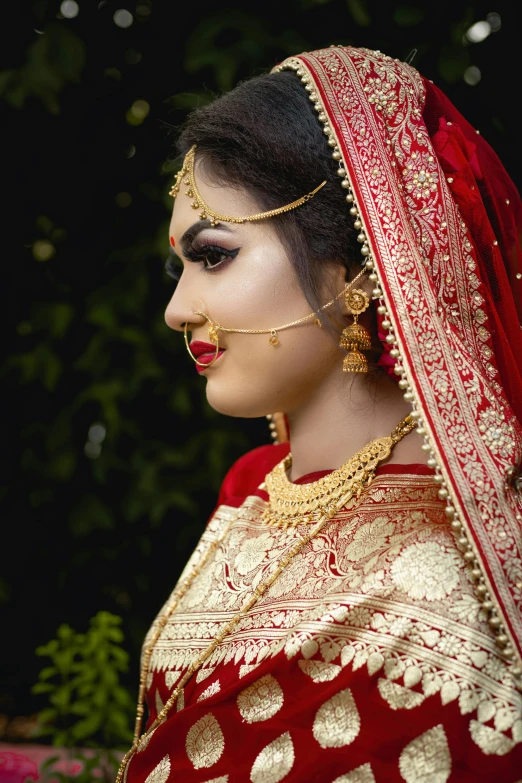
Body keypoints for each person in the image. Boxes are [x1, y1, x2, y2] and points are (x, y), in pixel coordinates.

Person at [117, 45, 522, 782]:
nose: (176, 309)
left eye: (214, 256)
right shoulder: (254, 493)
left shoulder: (462, 572)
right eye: (180, 267)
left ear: (360, 270)